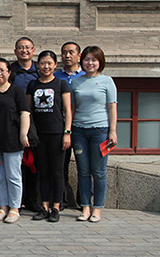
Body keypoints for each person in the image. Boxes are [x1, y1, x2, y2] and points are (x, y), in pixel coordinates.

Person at [0, 58, 30, 224]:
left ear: (9, 73)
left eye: (2, 70)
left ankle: (15, 208)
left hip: (12, 140)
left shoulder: (16, 91)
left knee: (13, 175)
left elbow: (25, 113)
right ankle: (3, 207)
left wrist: (23, 134)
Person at [71, 46, 117, 223]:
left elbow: (112, 107)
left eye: (94, 60)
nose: (90, 63)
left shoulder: (107, 81)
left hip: (100, 131)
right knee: (83, 171)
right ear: (82, 61)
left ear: (100, 62)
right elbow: (72, 109)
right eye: (87, 59)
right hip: (79, 131)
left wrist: (112, 131)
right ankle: (85, 207)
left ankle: (98, 208)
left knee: (98, 172)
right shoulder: (76, 82)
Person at [27, 50, 72, 222]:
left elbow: (67, 110)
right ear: (38, 65)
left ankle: (56, 207)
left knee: (57, 171)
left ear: (55, 65)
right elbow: (29, 111)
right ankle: (44, 206)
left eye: (49, 63)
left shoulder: (61, 84)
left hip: (57, 133)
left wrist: (67, 133)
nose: (46, 66)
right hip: (39, 134)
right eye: (43, 63)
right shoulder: (33, 85)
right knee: (43, 171)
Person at [10, 36, 41, 214]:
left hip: (38, 121)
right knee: (17, 163)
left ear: (33, 50)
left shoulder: (39, 70)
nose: (24, 51)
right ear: (15, 51)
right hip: (15, 121)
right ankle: (17, 201)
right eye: (21, 48)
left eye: (28, 48)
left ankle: (32, 199)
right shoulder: (11, 71)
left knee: (33, 163)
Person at [54, 41, 85, 208]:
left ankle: (83, 200)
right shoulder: (56, 76)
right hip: (60, 126)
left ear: (78, 55)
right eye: (64, 52)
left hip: (81, 125)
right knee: (61, 165)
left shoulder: (86, 75)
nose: (67, 55)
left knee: (83, 165)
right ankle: (62, 199)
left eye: (71, 52)